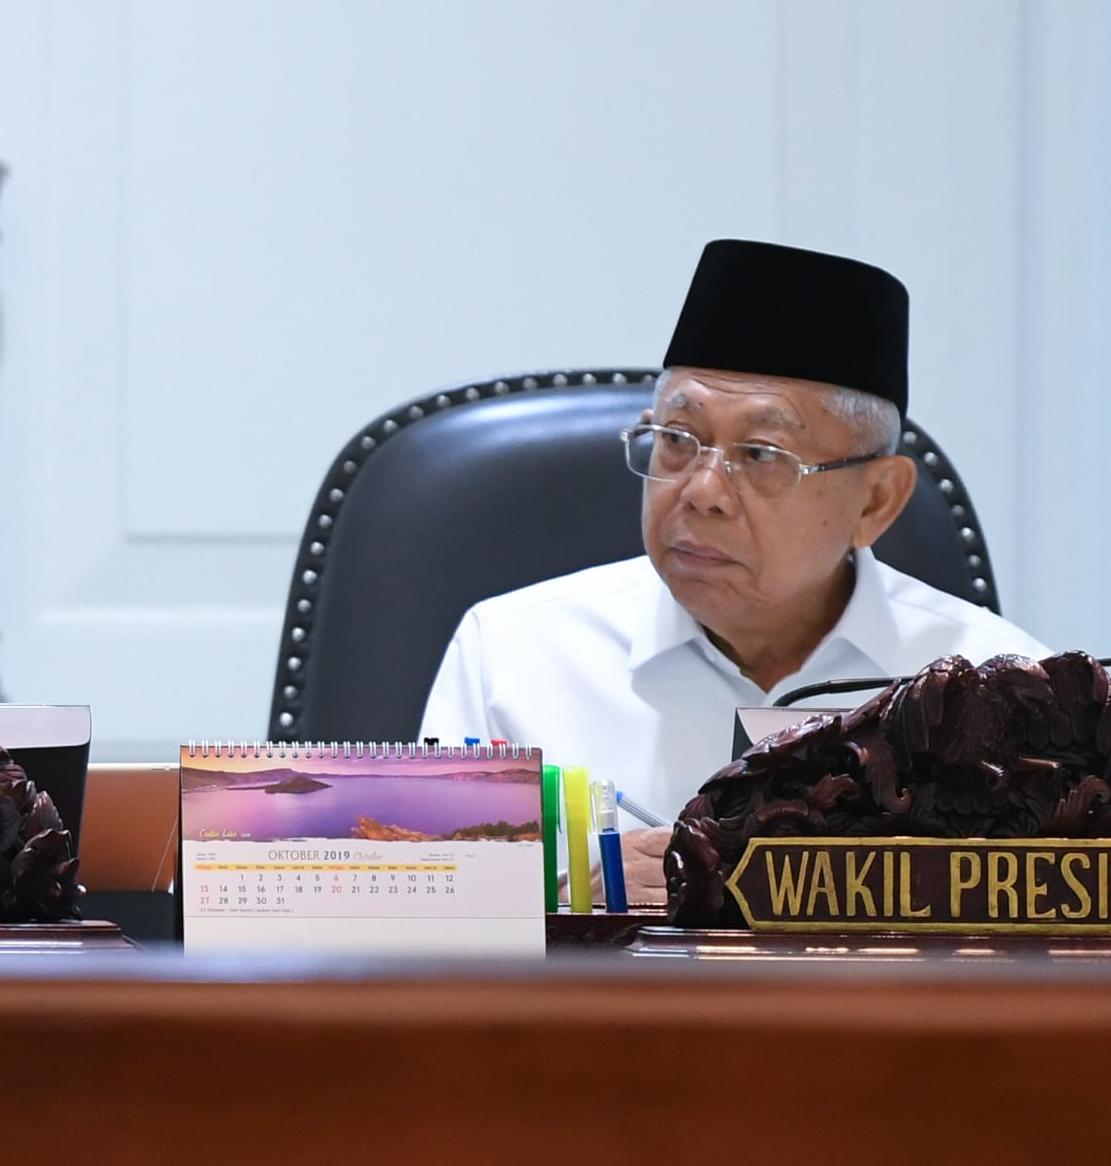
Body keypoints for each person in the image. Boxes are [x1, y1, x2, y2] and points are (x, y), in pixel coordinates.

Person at [419, 239, 1047, 901]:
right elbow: (421, 926)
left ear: (875, 499)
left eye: (760, 453)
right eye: (676, 439)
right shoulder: (511, 655)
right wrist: (576, 893)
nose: (701, 490)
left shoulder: (999, 688)